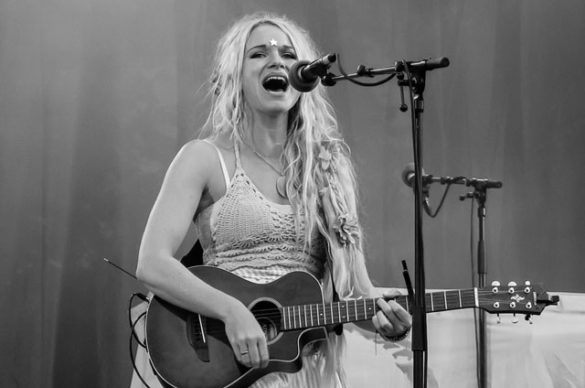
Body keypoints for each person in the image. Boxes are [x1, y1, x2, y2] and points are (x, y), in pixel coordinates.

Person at [135, 12, 411, 388]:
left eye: (287, 53)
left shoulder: (327, 168)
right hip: (225, 364)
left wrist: (388, 323)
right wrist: (231, 310)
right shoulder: (203, 158)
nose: (277, 61)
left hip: (304, 373)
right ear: (234, 74)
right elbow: (152, 264)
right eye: (259, 54)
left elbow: (356, 294)